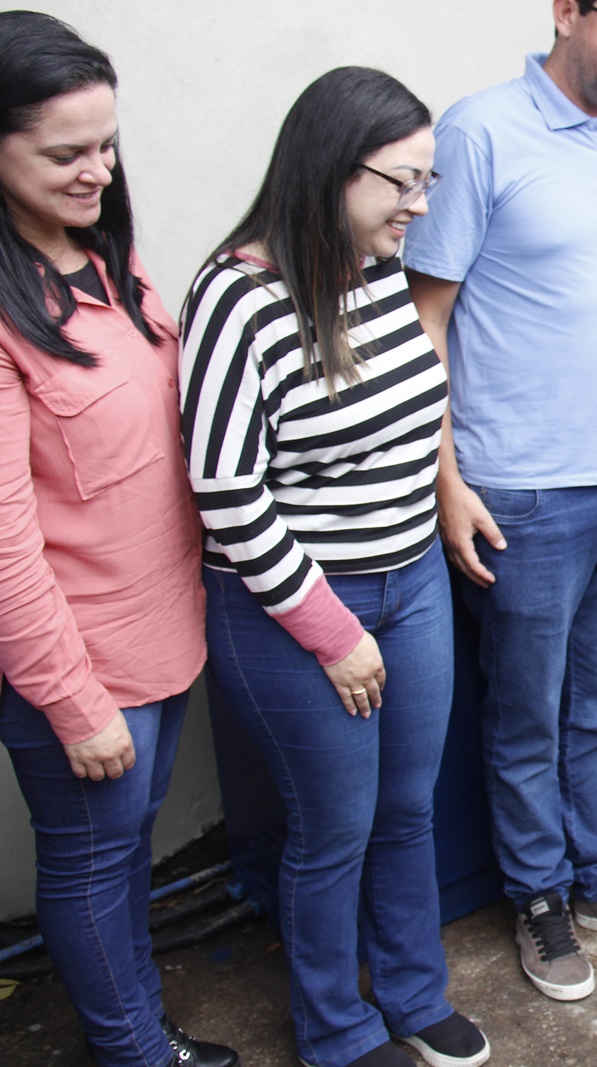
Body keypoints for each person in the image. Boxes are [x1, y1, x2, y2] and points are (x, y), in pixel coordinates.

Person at [180, 68, 488, 1067]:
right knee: (334, 826)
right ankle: (334, 1026)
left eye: (427, 179)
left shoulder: (375, 267)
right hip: (299, 608)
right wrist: (333, 630)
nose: (421, 204)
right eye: (403, 180)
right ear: (329, 167)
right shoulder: (236, 294)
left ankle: (410, 990)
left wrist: (443, 498)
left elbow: (408, 413)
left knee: (408, 807)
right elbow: (226, 489)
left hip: (411, 584)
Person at [403, 0, 597, 1005]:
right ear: (565, 10)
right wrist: (447, 480)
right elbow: (425, 319)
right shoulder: (479, 132)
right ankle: (538, 893)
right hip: (520, 487)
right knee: (526, 710)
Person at [0, 12, 237, 1067]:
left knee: (123, 855)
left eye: (106, 145)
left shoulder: (104, 260)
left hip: (160, 639)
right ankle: (136, 1051)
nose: (97, 170)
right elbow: (3, 545)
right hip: (79, 668)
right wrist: (74, 701)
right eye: (65, 153)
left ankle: (141, 1034)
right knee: (95, 867)